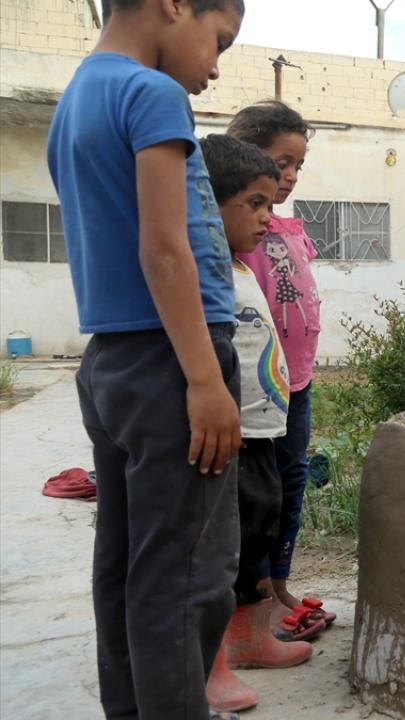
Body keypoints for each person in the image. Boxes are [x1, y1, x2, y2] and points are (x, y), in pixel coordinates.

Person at [45, 0, 245, 716]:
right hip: (172, 360)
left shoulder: (75, 100)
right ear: (174, 5)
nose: (214, 68)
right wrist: (204, 378)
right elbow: (163, 249)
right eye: (218, 40)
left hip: (112, 361)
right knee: (188, 575)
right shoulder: (149, 91)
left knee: (127, 564)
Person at [198, 134, 313, 715]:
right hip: (230, 434)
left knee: (257, 534)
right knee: (221, 549)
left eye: (269, 204)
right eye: (254, 203)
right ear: (208, 203)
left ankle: (250, 639)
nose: (267, 217)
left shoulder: (241, 266)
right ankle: (211, 662)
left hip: (262, 430)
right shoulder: (206, 270)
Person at [226, 102, 335, 638]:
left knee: (291, 481)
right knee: (258, 495)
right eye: (281, 162)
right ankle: (253, 596)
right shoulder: (239, 231)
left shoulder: (287, 227)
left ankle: (280, 583)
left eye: (298, 166)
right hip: (255, 390)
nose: (290, 176)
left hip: (296, 382)